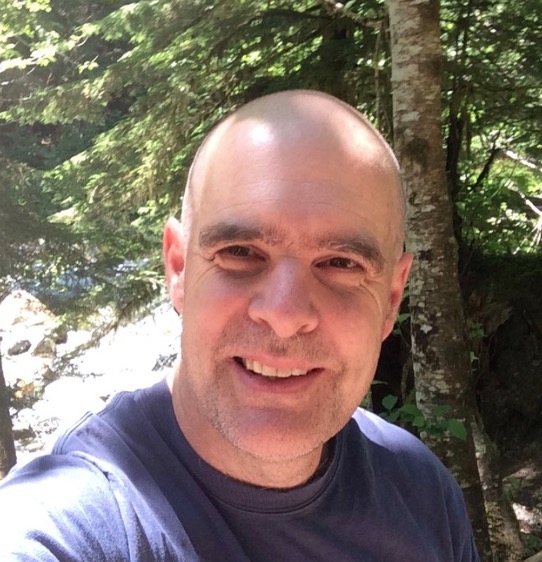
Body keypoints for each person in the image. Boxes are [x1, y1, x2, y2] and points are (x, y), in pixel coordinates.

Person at [0, 90, 480, 561]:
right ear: (179, 269)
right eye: (240, 252)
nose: (286, 315)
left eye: (341, 262)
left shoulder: (422, 493)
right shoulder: (78, 517)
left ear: (391, 298)